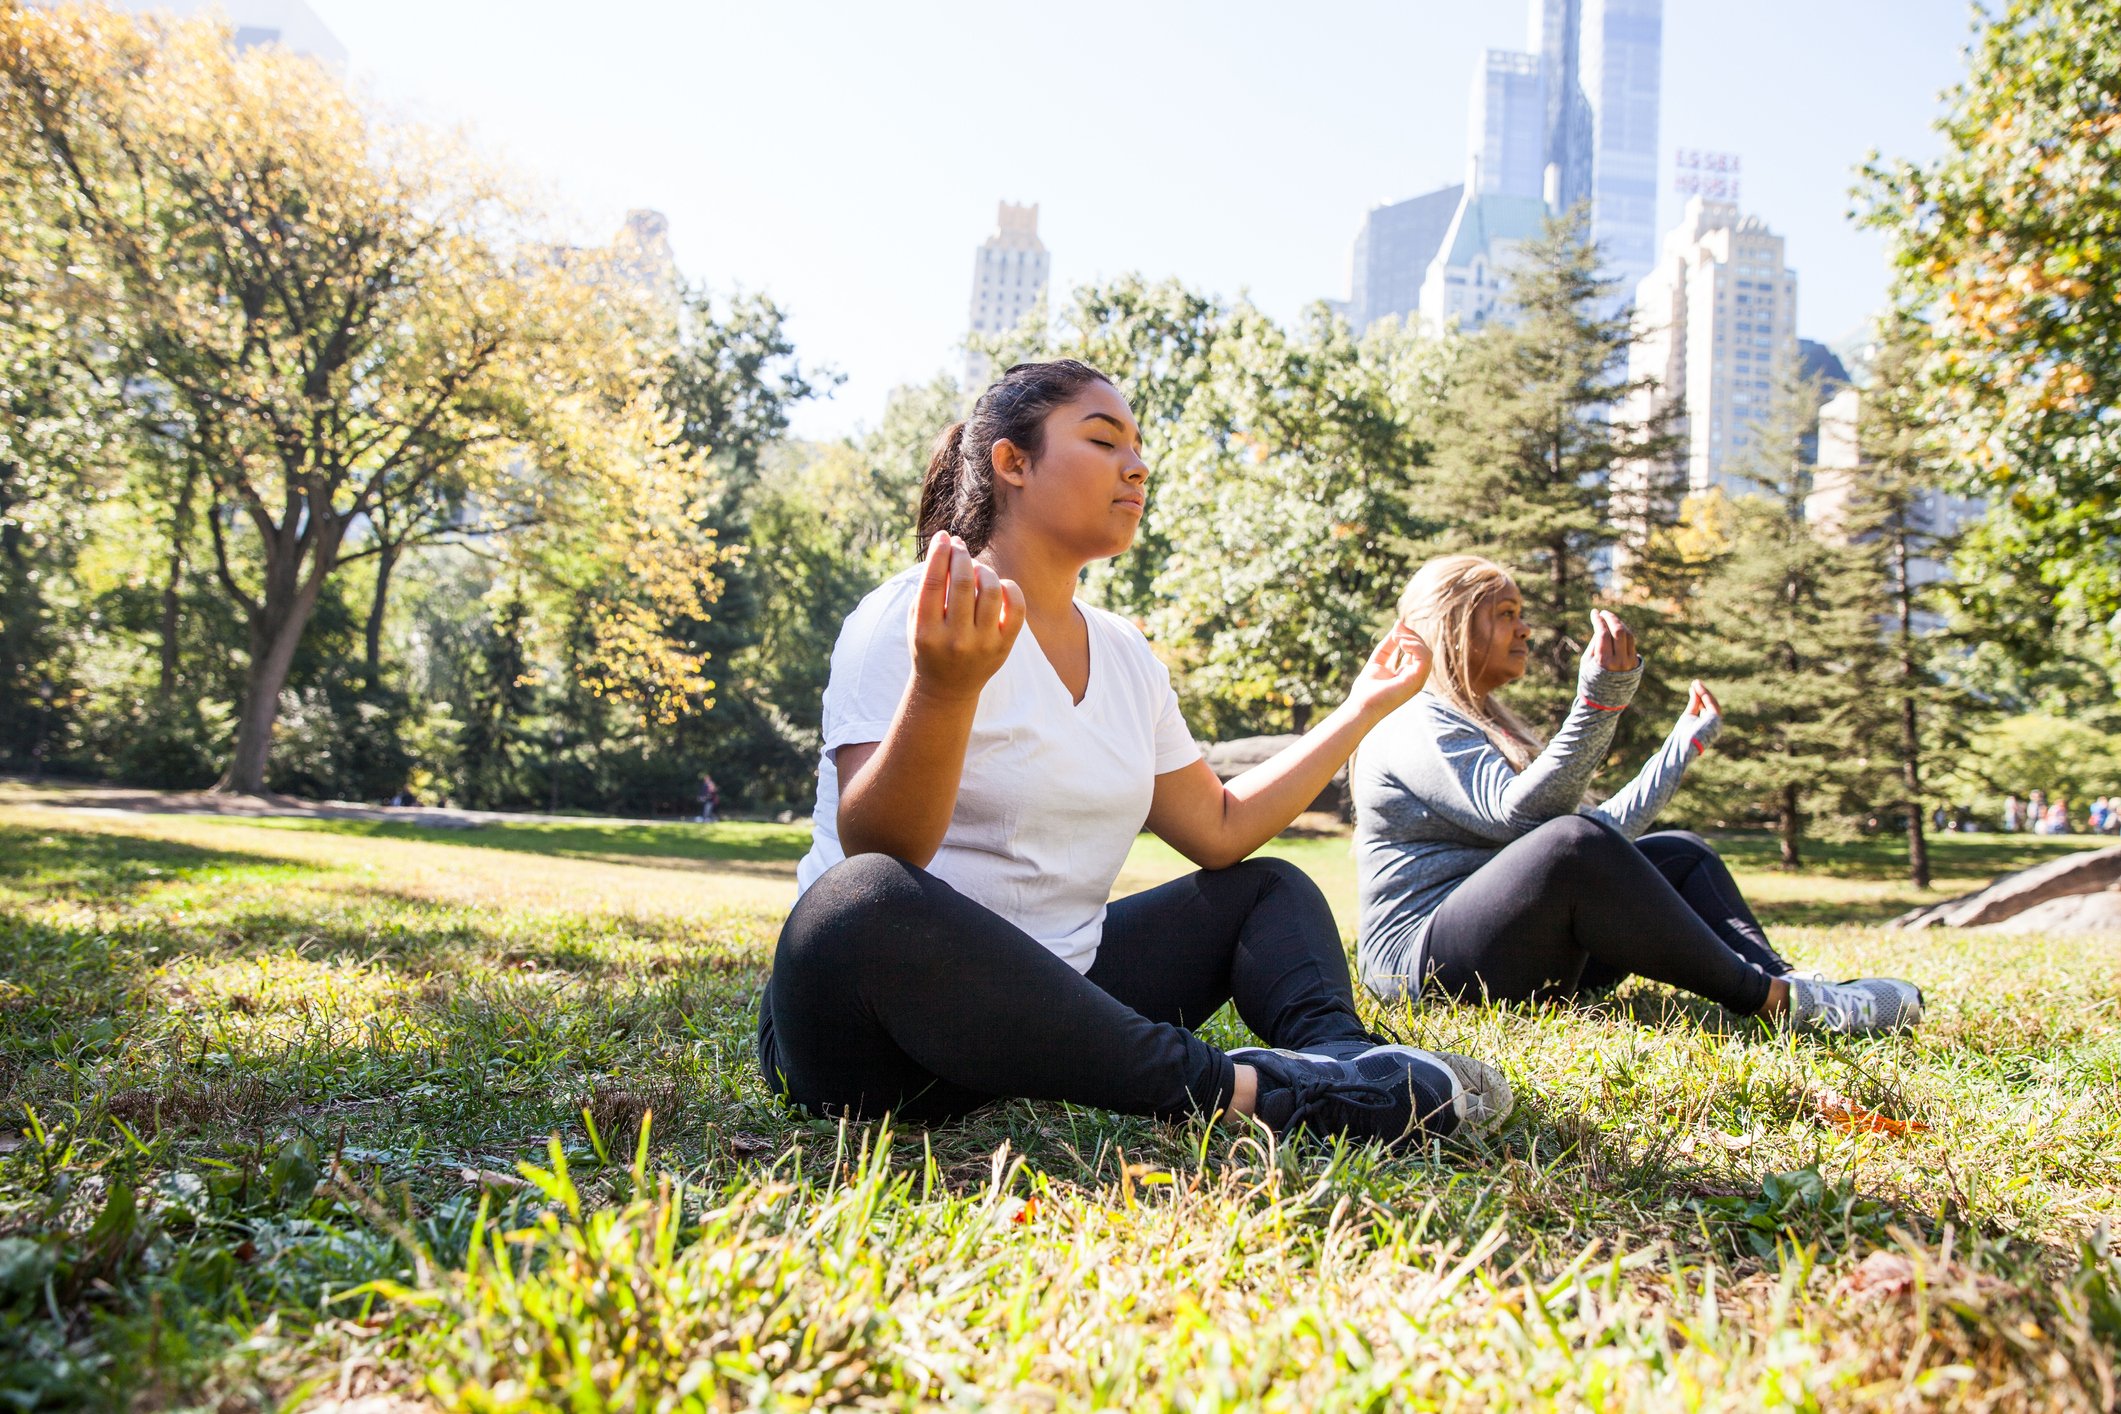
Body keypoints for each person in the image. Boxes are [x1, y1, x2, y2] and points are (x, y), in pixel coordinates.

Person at [756, 360, 1513, 1151]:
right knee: (859, 902)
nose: (1137, 465)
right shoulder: (914, 615)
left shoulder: (1122, 653)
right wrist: (946, 688)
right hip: (881, 1041)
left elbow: (1217, 828)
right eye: (1102, 439)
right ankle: (1256, 1092)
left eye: (1140, 446)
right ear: (1011, 462)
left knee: (1263, 891)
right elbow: (885, 851)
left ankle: (1348, 1068)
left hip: (1062, 1003)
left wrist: (1359, 710)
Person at [1352, 555, 1922, 1035]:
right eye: (1505, 615)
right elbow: (1527, 824)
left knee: (1680, 853)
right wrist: (1599, 704)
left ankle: (1792, 982)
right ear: (1451, 624)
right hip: (1420, 967)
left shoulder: (1479, 721)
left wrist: (1680, 750)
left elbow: (1597, 841)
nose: (1525, 629)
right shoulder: (1411, 720)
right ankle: (1775, 1002)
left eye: (1521, 614)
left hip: (1501, 947)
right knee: (1571, 841)